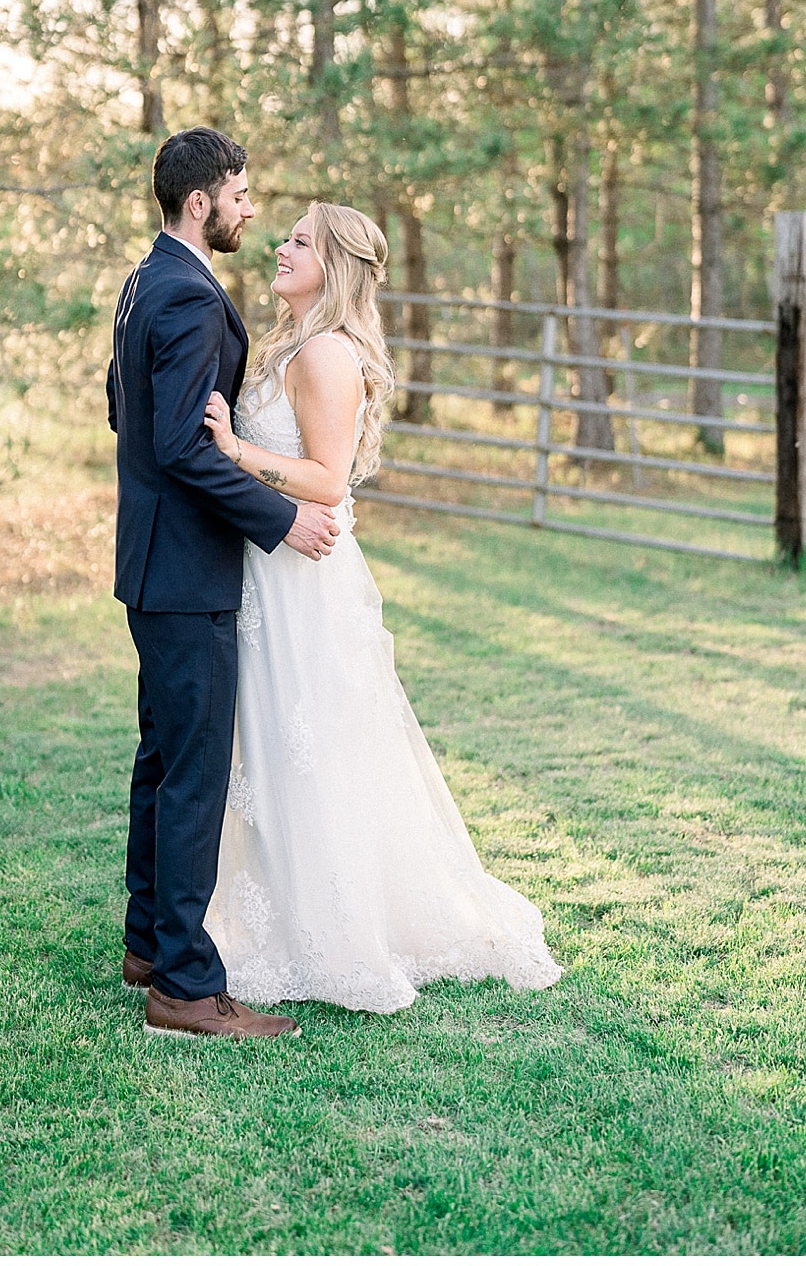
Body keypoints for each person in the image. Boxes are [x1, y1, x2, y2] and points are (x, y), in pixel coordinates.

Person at [202, 202, 562, 1012]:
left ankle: (338, 925)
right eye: (287, 235)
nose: (282, 247)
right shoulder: (288, 345)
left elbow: (328, 480)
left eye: (300, 241)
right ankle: (276, 910)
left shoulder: (327, 354)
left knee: (310, 742)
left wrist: (235, 449)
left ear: (335, 266)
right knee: (268, 745)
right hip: (270, 574)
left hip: (305, 582)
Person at [107, 128, 341, 1041]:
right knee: (196, 771)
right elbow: (175, 445)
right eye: (240, 195)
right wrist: (281, 521)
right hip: (189, 568)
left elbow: (125, 411)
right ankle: (186, 987)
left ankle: (146, 943)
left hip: (148, 559)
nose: (251, 211)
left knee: (164, 760)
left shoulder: (143, 283)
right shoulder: (193, 299)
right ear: (200, 202)